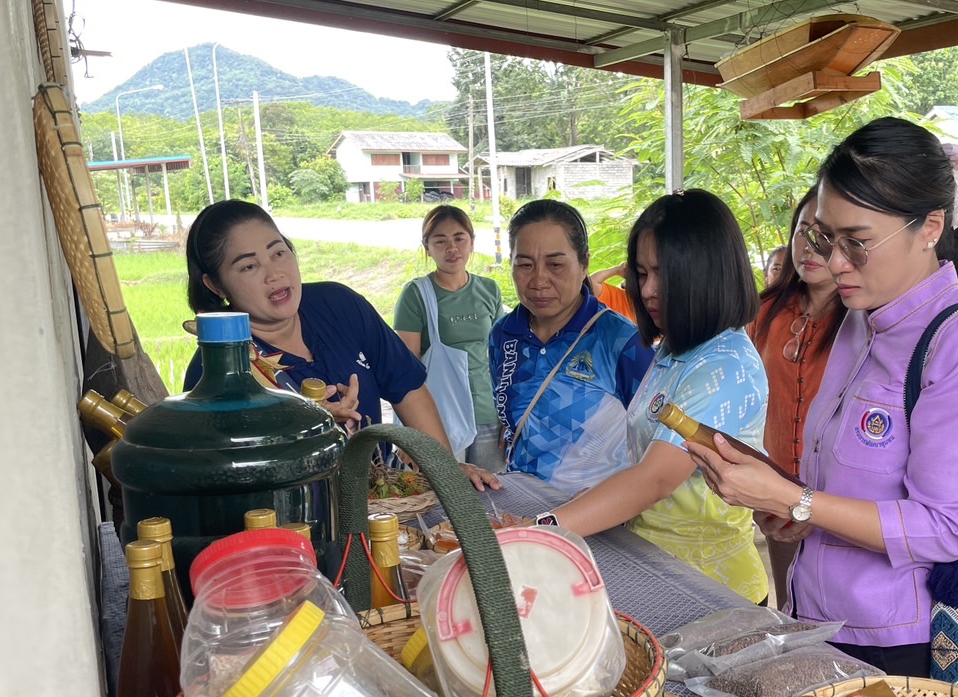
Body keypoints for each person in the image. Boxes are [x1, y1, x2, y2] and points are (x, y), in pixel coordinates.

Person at [691, 118, 958, 674]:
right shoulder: (858, 321)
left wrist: (801, 502)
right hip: (818, 615)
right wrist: (792, 509)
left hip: (902, 641)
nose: (834, 262)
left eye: (858, 243)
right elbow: (849, 484)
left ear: (930, 227)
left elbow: (944, 528)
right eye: (824, 237)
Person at [544, 190, 769, 603]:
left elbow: (657, 478)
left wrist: (542, 528)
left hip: (712, 592)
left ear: (708, 273)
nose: (648, 291)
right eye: (642, 274)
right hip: (661, 572)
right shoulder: (676, 349)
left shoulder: (725, 366)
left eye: (664, 274)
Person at [183, 200, 500, 489]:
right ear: (215, 284)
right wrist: (310, 429)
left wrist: (443, 469)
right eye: (249, 266)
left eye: (278, 252)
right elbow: (231, 476)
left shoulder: (338, 304)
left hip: (382, 502)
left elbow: (406, 385)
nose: (275, 274)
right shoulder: (218, 365)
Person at [489, 199, 652, 494]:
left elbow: (655, 447)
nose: (539, 280)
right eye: (524, 264)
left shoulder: (621, 342)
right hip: (524, 512)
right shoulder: (503, 334)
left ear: (584, 263)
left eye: (555, 264)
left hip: (598, 521)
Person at [747, 188, 845, 605]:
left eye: (825, 235)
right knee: (790, 610)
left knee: (839, 617)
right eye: (803, 231)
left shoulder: (867, 319)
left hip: (844, 501)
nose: (809, 246)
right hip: (777, 495)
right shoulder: (761, 311)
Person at [392, 205, 507, 471]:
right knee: (447, 499)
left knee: (491, 498)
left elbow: (502, 357)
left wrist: (509, 417)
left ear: (471, 242)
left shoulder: (488, 289)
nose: (451, 248)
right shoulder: (416, 294)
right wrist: (411, 432)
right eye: (440, 241)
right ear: (427, 247)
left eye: (459, 238)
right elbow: (405, 370)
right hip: (441, 418)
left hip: (488, 414)